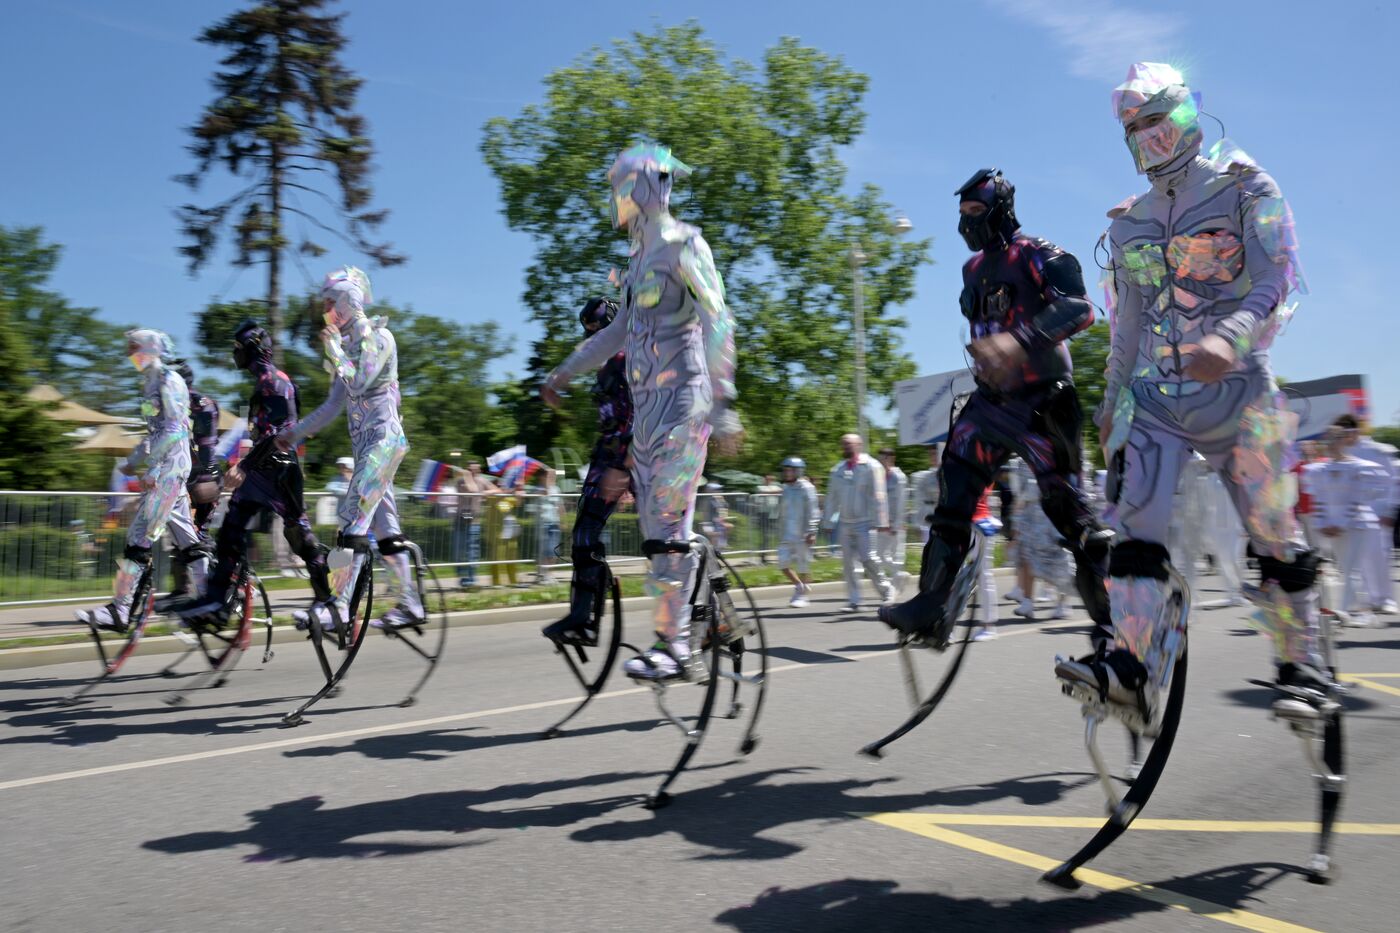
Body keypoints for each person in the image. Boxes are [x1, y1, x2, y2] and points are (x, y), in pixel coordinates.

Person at [1056, 62, 1323, 721]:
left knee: (1274, 534)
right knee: (1135, 529)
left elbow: (1275, 277)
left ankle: (1301, 667)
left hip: (1241, 396)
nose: (1145, 136)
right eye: (1131, 127)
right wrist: (1113, 402)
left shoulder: (1243, 184)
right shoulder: (1127, 224)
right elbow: (1129, 324)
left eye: (1154, 120)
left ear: (1185, 115)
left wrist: (1231, 335)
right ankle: (1131, 664)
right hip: (1160, 400)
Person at [879, 168, 1112, 652]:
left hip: (1044, 400)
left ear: (1002, 210)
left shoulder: (1038, 254)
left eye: (975, 213)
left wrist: (1019, 340)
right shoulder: (970, 271)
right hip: (990, 402)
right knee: (953, 493)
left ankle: (1114, 627)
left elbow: (1080, 308)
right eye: (961, 215)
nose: (967, 223)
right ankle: (931, 607)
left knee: (1069, 515)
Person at [543, 143, 743, 680]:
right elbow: (616, 333)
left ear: (652, 187)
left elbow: (719, 320)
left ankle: (673, 646)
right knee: (660, 533)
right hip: (647, 414)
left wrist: (724, 403)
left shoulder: (685, 245)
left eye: (627, 186)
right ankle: (713, 617)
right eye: (618, 187)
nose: (620, 198)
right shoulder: (635, 266)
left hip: (685, 403)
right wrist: (562, 372)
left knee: (668, 529)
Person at [280, 266, 420, 631]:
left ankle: (340, 607)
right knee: (386, 529)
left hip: (383, 443)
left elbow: (358, 383)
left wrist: (333, 348)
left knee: (351, 519)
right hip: (370, 449)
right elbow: (331, 407)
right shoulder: (350, 347)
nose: (324, 310)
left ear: (347, 299)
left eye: (329, 302)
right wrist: (290, 436)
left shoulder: (380, 337)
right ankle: (410, 604)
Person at [180, 322, 333, 625]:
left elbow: (281, 435)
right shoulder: (262, 381)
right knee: (230, 532)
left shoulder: (274, 383)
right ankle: (217, 603)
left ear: (251, 349)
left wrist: (243, 466)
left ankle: (327, 598)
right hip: (259, 471)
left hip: (281, 471)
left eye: (237, 348)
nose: (233, 354)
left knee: (298, 536)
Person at [77, 331, 210, 631]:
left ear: (150, 348)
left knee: (138, 536)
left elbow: (176, 430)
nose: (130, 355)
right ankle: (206, 599)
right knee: (187, 540)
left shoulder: (170, 381)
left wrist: (152, 470)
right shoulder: (149, 384)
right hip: (165, 470)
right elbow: (154, 434)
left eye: (133, 348)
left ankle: (121, 610)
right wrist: (130, 462)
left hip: (171, 469)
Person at [542, 297, 633, 642]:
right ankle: (583, 618)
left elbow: (643, 412)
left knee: (667, 543)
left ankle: (705, 613)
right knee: (583, 533)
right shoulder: (605, 359)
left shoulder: (631, 357)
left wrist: (625, 468)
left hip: (635, 449)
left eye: (597, 329)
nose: (591, 336)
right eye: (588, 330)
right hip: (608, 451)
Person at [1302, 422, 1390, 627]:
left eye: (1335, 439)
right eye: (1328, 440)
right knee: (1347, 568)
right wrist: (1323, 523)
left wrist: (1340, 523)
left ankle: (1341, 611)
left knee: (1351, 569)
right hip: (1333, 527)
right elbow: (1319, 500)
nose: (1331, 444)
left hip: (1358, 524)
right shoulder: (1318, 470)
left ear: (1344, 441)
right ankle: (1363, 611)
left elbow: (1358, 500)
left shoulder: (1360, 467)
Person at [154, 358, 221, 611]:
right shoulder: (187, 404)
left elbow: (203, 446)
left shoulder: (196, 404)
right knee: (183, 537)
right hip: (190, 477)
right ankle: (185, 591)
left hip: (201, 479)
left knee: (197, 538)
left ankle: (231, 586)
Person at [821, 433, 893, 612]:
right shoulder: (837, 470)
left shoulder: (871, 466)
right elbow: (831, 498)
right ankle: (855, 600)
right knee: (848, 563)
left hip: (865, 522)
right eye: (843, 444)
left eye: (849, 444)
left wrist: (882, 520)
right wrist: (828, 522)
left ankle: (887, 590)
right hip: (845, 523)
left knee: (868, 558)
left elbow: (880, 495)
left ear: (859, 445)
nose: (845, 447)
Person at [1338, 415, 1399, 614]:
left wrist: (1389, 511)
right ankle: (1365, 600)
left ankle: (1384, 599)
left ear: (1354, 431)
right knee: (1357, 560)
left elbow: (1393, 484)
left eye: (1345, 433)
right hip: (1353, 515)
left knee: (1379, 557)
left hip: (1378, 514)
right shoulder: (1341, 454)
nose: (1342, 437)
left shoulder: (1379, 451)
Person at [1009, 456, 1073, 621]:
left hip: (1051, 515)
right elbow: (1018, 496)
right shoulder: (1020, 463)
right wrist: (1016, 527)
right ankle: (1028, 603)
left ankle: (1063, 603)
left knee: (1058, 561)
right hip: (1029, 517)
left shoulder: (1053, 456)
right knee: (1026, 558)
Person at [778, 456, 819, 607]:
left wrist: (812, 531)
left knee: (803, 565)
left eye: (790, 471)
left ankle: (802, 596)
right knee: (782, 563)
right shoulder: (786, 488)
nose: (787, 473)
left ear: (798, 471)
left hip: (802, 533)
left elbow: (813, 511)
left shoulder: (807, 488)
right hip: (786, 533)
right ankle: (800, 586)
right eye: (785, 470)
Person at [453, 460, 494, 588]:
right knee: (458, 550)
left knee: (472, 550)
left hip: (474, 520)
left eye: (474, 470)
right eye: (469, 470)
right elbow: (472, 490)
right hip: (461, 518)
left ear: (479, 471)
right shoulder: (461, 481)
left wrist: (486, 493)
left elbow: (497, 489)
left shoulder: (482, 480)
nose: (472, 472)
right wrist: (467, 477)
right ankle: (462, 575)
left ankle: (471, 579)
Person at [876, 447, 910, 592]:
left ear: (891, 459)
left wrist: (896, 524)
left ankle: (896, 584)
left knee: (896, 554)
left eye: (883, 458)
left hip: (895, 523)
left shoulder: (898, 477)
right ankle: (900, 575)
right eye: (879, 459)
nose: (880, 462)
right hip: (882, 523)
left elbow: (901, 502)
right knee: (879, 555)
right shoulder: (879, 476)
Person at [535, 468, 563, 585]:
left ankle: (549, 574)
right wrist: (546, 484)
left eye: (553, 475)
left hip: (554, 523)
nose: (552, 477)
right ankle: (543, 574)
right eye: (549, 475)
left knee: (553, 550)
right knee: (545, 550)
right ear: (543, 477)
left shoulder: (557, 489)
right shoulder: (539, 488)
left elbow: (559, 505)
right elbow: (544, 493)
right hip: (544, 523)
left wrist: (562, 520)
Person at [910, 445, 942, 544]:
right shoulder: (923, 477)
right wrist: (916, 523)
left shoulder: (951, 475)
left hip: (945, 518)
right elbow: (918, 501)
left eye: (936, 454)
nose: (933, 457)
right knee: (928, 549)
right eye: (931, 454)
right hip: (928, 516)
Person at [754, 473, 783, 563]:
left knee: (777, 535)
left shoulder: (775, 487)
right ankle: (763, 556)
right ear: (764, 479)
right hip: (763, 514)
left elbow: (783, 491)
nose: (769, 480)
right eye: (767, 478)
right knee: (765, 536)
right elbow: (763, 493)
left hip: (774, 514)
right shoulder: (760, 487)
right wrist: (775, 492)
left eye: (771, 478)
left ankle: (781, 555)